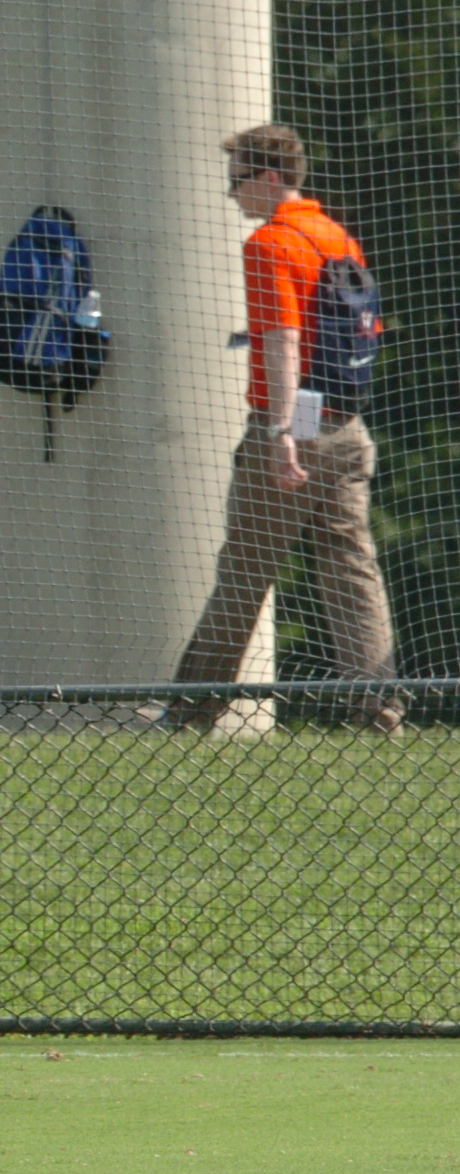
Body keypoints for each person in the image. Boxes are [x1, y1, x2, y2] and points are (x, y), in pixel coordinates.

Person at [174, 123, 399, 732]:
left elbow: (283, 341)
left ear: (270, 178)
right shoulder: (335, 236)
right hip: (347, 425)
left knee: (244, 571)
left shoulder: (271, 243)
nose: (231, 194)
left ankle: (191, 711)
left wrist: (281, 435)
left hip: (297, 429)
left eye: (238, 180)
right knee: (350, 565)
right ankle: (377, 705)